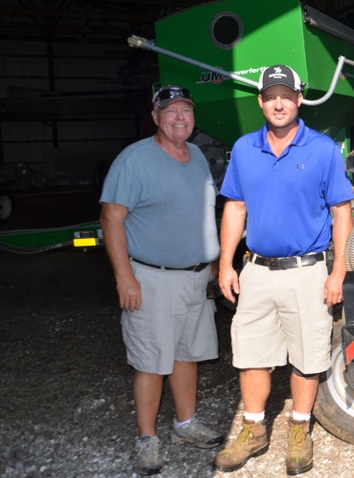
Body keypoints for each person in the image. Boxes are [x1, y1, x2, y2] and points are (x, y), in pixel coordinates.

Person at [213, 64, 354, 475]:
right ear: (261, 101)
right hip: (255, 270)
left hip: (307, 271)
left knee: (307, 356)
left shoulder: (323, 149)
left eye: (286, 95)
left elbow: (341, 213)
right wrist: (225, 264)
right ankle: (254, 430)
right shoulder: (243, 149)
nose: (279, 103)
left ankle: (299, 431)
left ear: (298, 99)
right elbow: (235, 208)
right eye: (271, 95)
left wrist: (338, 273)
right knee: (251, 352)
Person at [100, 85, 223, 476]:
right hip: (152, 279)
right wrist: (125, 278)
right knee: (151, 360)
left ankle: (185, 426)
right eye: (170, 112)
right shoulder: (134, 161)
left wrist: (214, 260)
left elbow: (204, 213)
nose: (179, 118)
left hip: (194, 278)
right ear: (155, 117)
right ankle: (147, 439)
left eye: (185, 110)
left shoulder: (198, 157)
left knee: (187, 355)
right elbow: (111, 219)